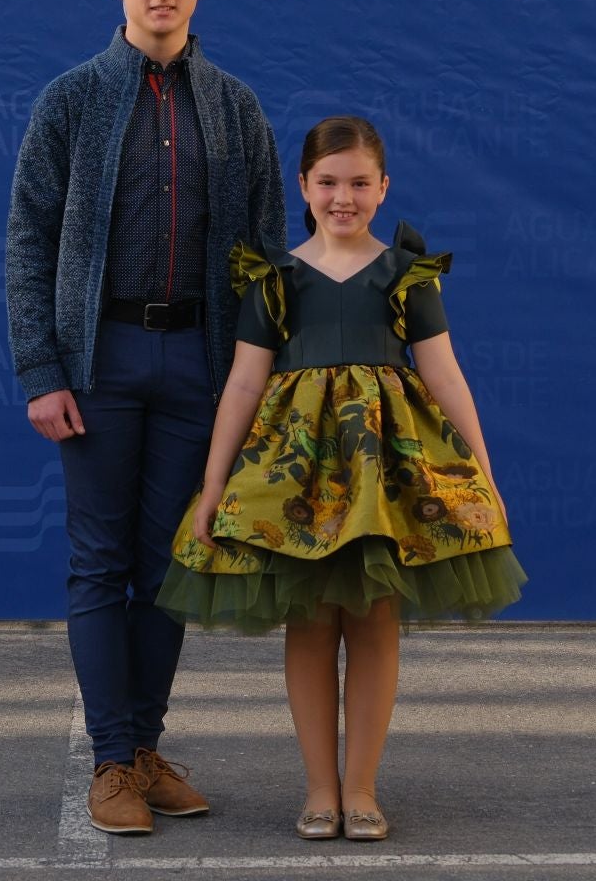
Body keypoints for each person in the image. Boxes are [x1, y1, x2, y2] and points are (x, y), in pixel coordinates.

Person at [157, 115, 525, 843]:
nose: (343, 197)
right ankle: (320, 791)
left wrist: (481, 472)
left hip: (384, 478)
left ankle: (362, 790)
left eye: (360, 183)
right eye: (328, 183)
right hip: (296, 481)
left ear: (383, 188)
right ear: (304, 185)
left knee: (376, 619)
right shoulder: (275, 279)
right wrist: (214, 482)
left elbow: (444, 375)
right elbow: (242, 385)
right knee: (310, 620)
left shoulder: (406, 275)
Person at [5, 0, 287, 836]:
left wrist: (259, 376)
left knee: (172, 565)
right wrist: (42, 367)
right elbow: (28, 240)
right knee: (98, 563)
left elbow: (262, 253)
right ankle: (112, 761)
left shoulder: (237, 108)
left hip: (199, 364)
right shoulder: (71, 100)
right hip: (98, 360)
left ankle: (145, 747)